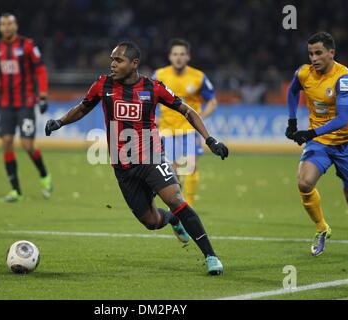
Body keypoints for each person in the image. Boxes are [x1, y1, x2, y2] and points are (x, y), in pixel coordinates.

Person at [45, 41, 229, 275]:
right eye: (112, 59)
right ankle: (173, 219)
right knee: (151, 222)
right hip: (123, 166)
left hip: (152, 157)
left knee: (175, 198)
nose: (112, 64)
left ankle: (211, 256)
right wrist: (60, 122)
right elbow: (82, 108)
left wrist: (210, 139)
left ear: (134, 64)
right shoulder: (103, 85)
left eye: (118, 60)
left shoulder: (153, 88)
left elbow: (187, 111)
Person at [286, 31, 348, 262]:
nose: (314, 58)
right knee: (304, 182)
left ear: (332, 53)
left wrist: (310, 132)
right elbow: (292, 91)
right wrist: (292, 122)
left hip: (347, 144)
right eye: (310, 53)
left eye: (318, 53)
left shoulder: (344, 79)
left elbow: (342, 119)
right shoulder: (304, 73)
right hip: (319, 143)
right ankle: (321, 228)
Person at [0, 13, 53, 202]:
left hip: (26, 103)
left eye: (10, 24)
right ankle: (15, 190)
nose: (7, 27)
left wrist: (43, 96)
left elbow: (40, 70)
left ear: (16, 26)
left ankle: (45, 176)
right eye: (3, 24)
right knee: (7, 143)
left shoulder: (27, 45)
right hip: (5, 104)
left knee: (27, 145)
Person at [153, 39, 218, 207]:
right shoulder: (159, 75)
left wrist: (200, 117)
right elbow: (146, 98)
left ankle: (190, 204)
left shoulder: (198, 77)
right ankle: (178, 204)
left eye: (182, 54)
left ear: (188, 57)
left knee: (191, 166)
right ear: (169, 56)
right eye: (175, 54)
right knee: (173, 171)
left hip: (189, 129)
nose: (178, 57)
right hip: (167, 129)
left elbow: (212, 101)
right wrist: (152, 119)